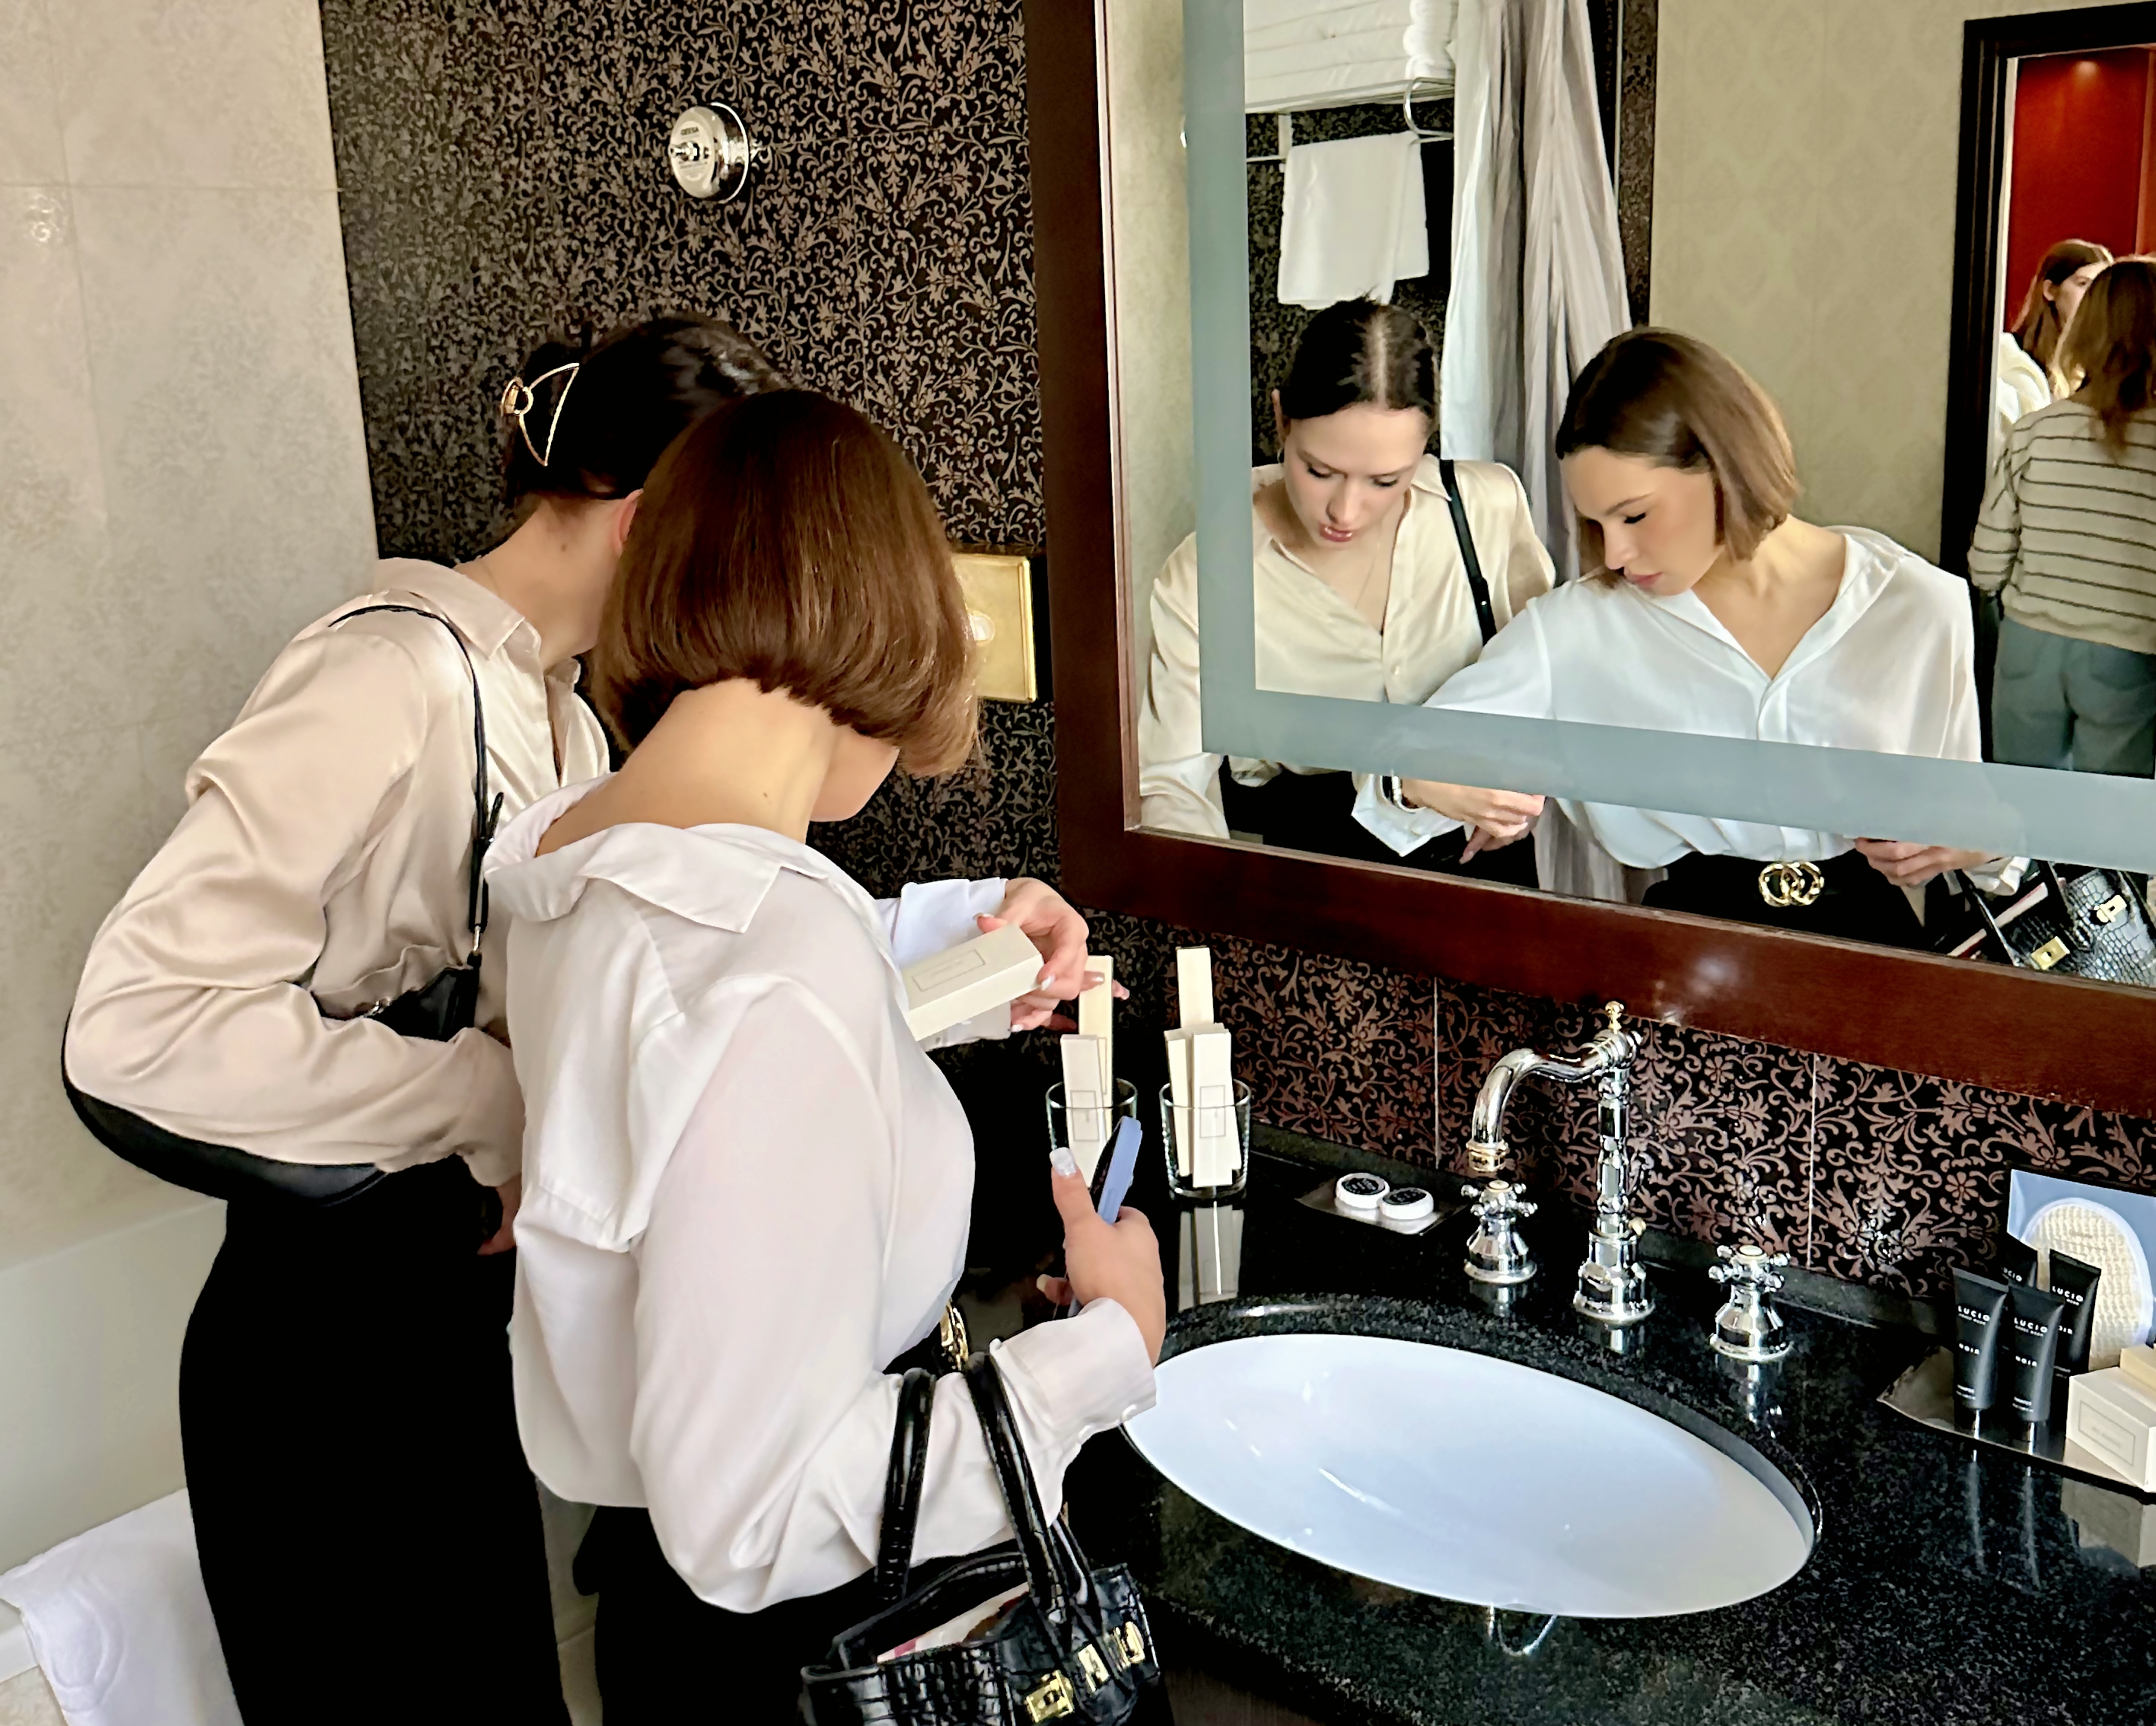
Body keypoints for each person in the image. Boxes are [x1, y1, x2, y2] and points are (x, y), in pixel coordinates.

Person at [61, 317, 1100, 1724]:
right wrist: (488, 1101)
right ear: (650, 526)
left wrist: (952, 934)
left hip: (457, 1319)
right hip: (332, 1338)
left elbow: (674, 958)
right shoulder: (389, 678)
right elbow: (134, 1025)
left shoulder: (568, 730)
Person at [482, 389, 1167, 1718]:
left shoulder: (572, 854)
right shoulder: (774, 959)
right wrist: (1107, 1346)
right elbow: (755, 1513)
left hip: (657, 1634)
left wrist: (969, 961)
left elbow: (696, 1039)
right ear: (884, 616)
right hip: (800, 1650)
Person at [1357, 329, 2019, 947]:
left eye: (1635, 516)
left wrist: (1978, 843)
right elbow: (1397, 764)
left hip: (1876, 953)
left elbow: (1979, 837)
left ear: (1726, 465)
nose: (1615, 553)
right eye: (1597, 524)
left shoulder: (1918, 604)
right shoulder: (1578, 628)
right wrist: (1419, 783)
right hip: (1686, 954)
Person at [1136, 298, 1553, 878]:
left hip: (1489, 867)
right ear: (1282, 419)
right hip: (1316, 867)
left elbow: (1547, 678)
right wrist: (1221, 902)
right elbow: (1171, 784)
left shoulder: (1486, 506)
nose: (1345, 511)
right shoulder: (1210, 570)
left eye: (1385, 480)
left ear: (1425, 443)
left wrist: (1525, 784)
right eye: (1319, 471)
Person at [1971, 255, 2156, 778]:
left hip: (2029, 643)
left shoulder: (2035, 431)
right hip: (2128, 649)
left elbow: (1985, 564)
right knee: (2111, 811)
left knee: (2022, 801)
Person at [1992, 239, 2112, 464]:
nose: (2093, 297)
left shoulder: (2100, 370)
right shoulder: (2009, 358)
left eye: (2101, 289)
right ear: (2050, 290)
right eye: (2083, 284)